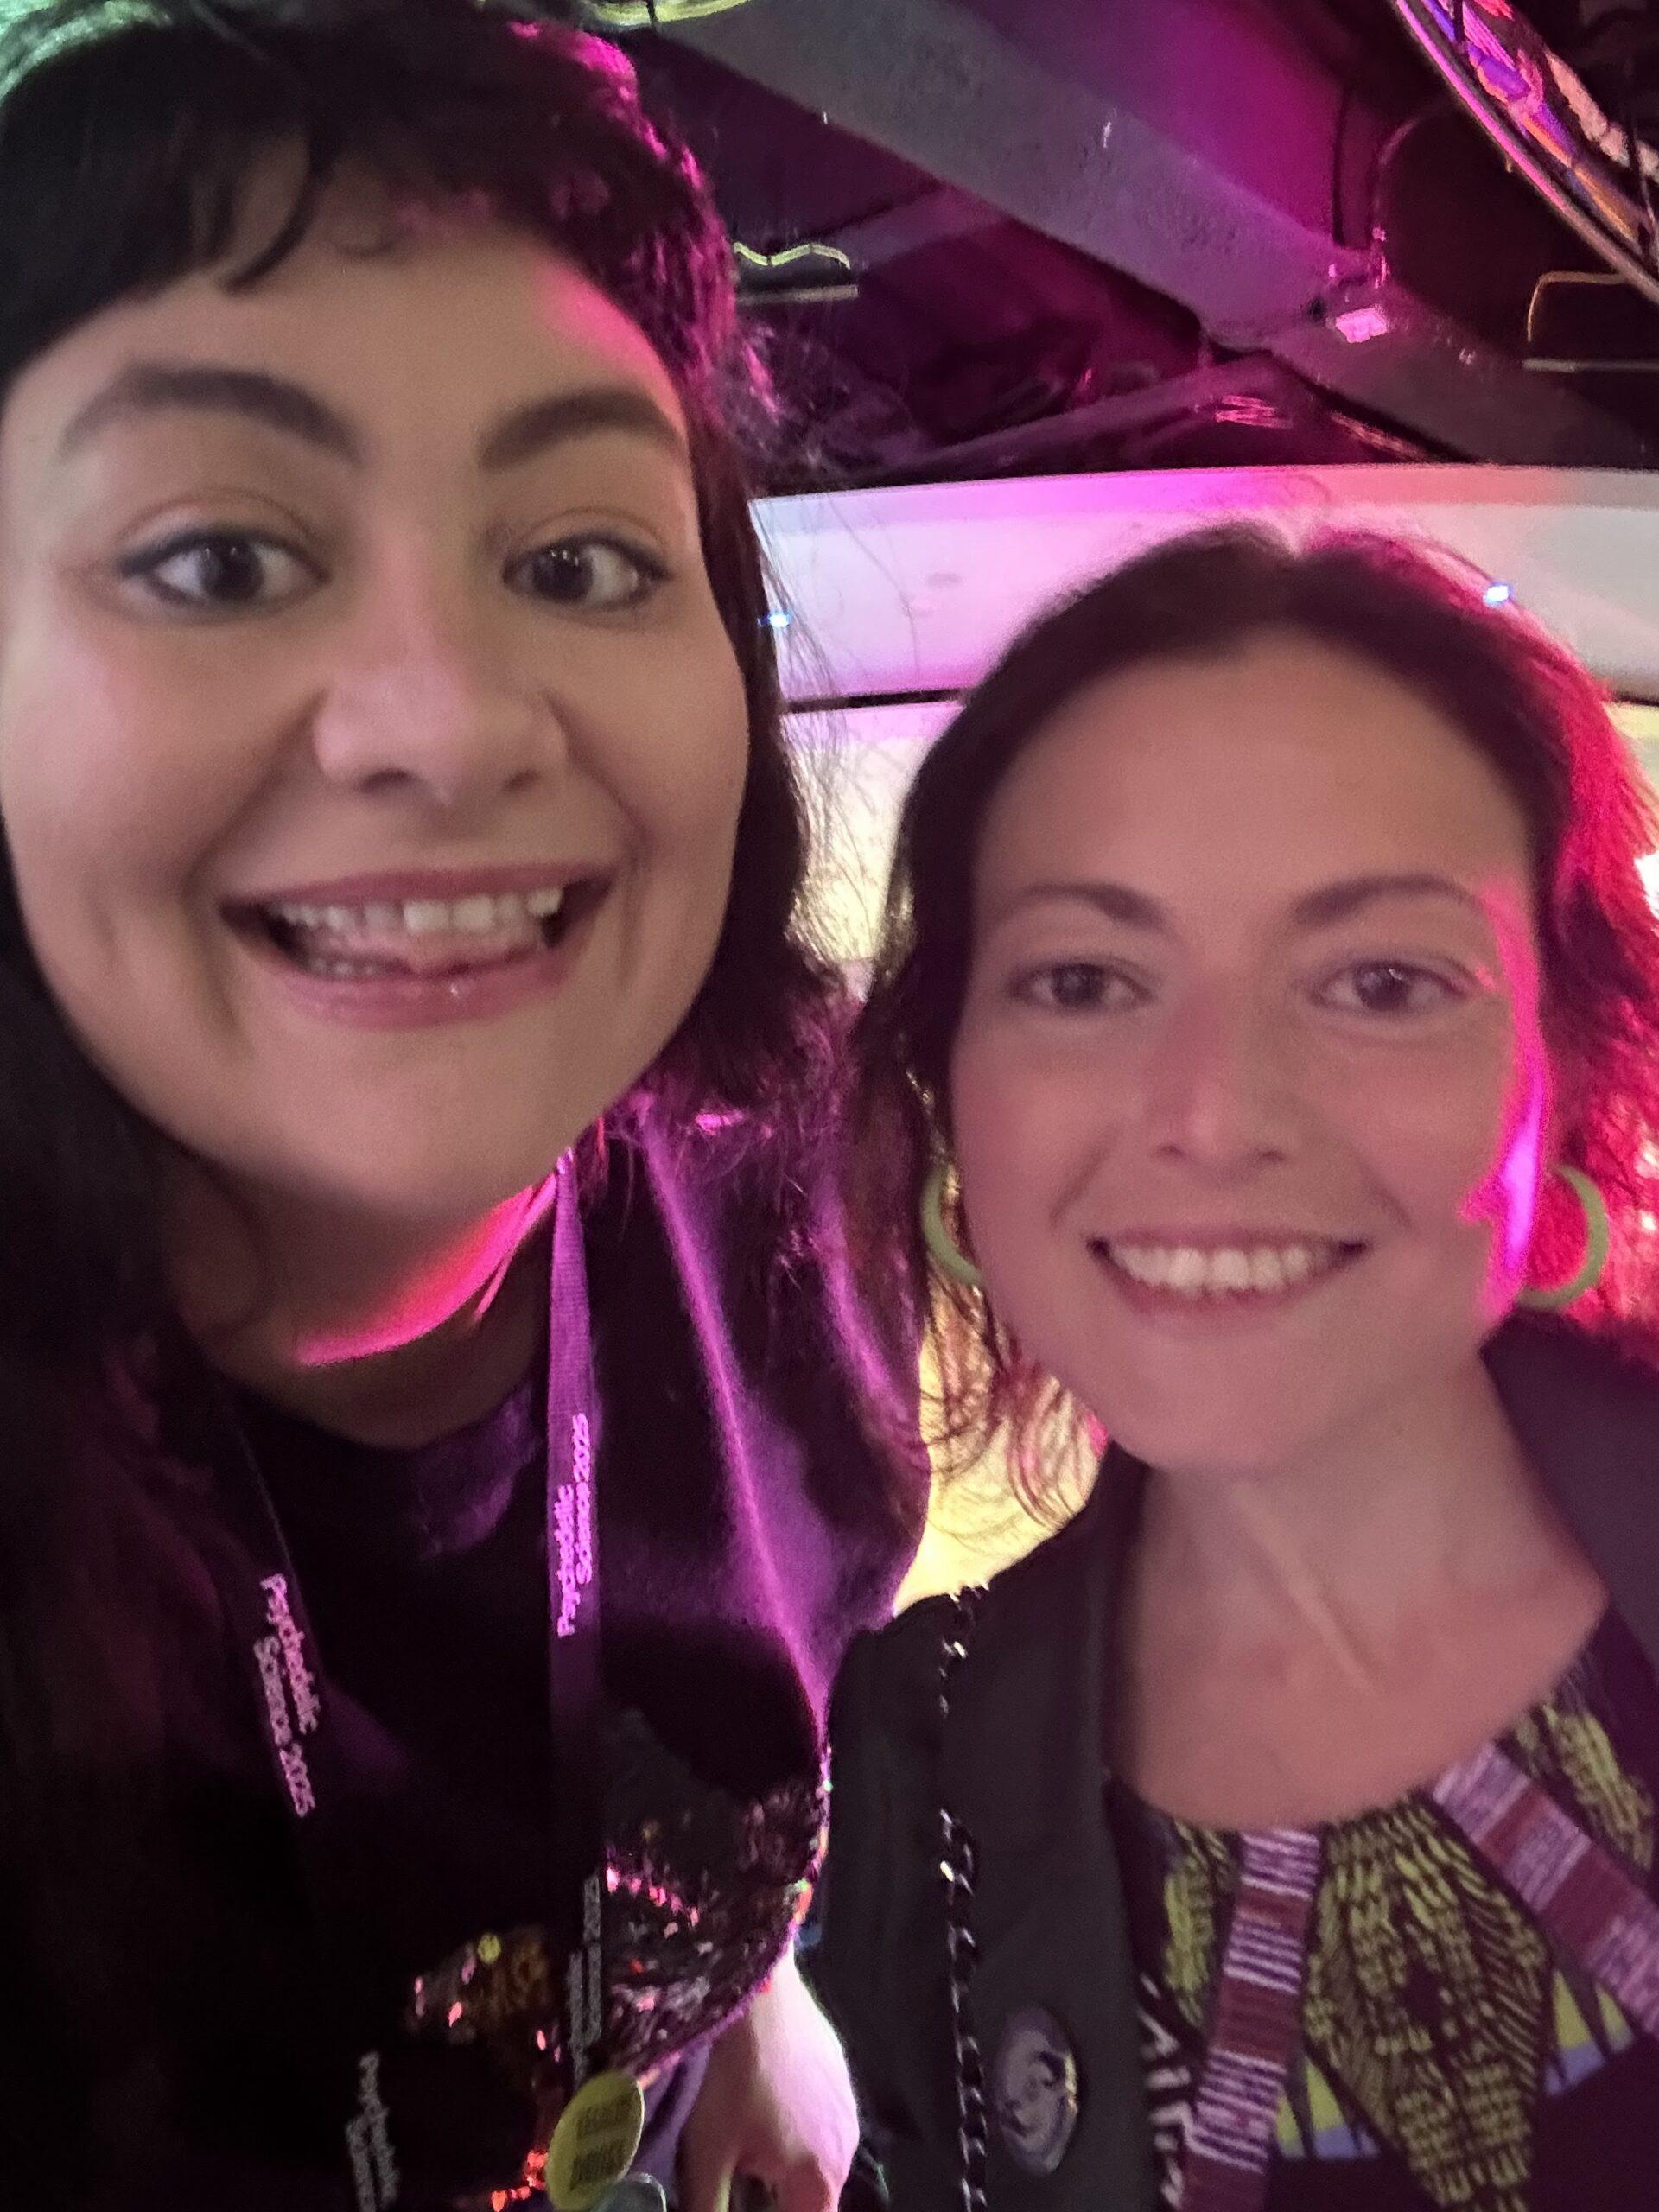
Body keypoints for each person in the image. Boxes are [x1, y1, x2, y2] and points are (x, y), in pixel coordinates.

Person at [0, 4, 925, 2207]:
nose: (444, 720)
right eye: (220, 558)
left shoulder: (792, 1184)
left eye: (579, 558)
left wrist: (747, 1998)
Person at [814, 524, 1659, 2211]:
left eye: (1381, 980)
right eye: (1082, 979)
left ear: (1565, 1063)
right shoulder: (917, 1768)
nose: (1211, 1112)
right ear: (954, 1099)